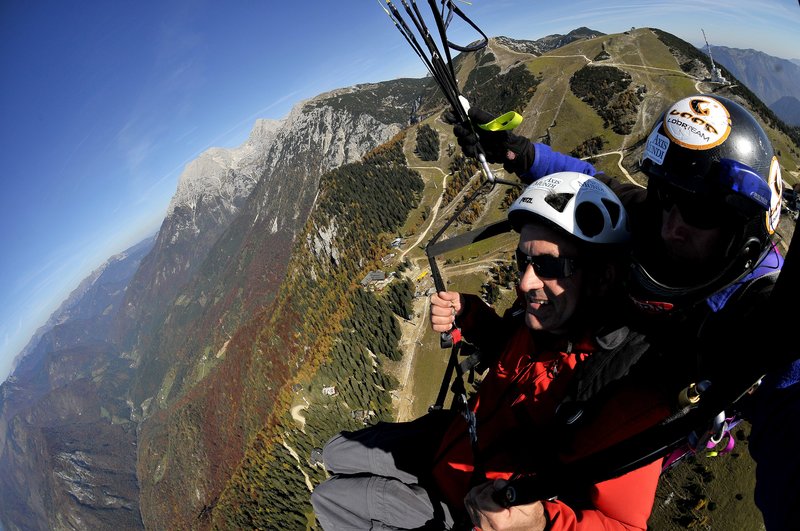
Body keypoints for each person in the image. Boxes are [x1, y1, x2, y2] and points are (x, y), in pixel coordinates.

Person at [451, 93, 798, 529]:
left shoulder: (757, 309)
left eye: (699, 212)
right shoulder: (652, 221)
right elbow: (595, 183)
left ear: (740, 226)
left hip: (629, 437)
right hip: (583, 385)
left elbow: (791, 410)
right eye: (667, 196)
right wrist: (519, 153)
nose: (673, 225)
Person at [311, 172, 668, 530]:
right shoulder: (545, 318)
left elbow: (626, 525)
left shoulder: (616, 389)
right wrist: (470, 315)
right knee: (334, 452)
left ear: (602, 276)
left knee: (329, 500)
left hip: (470, 504)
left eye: (548, 265)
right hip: (455, 439)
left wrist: (542, 523)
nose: (526, 281)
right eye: (523, 261)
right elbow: (512, 355)